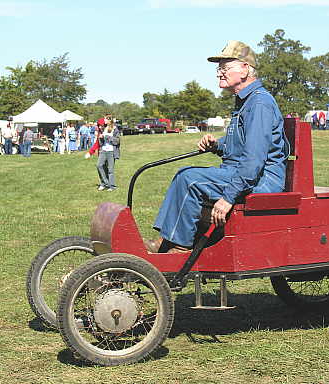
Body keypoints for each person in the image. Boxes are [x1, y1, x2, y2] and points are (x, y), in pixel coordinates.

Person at [145, 40, 288, 254]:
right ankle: (169, 241)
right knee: (185, 174)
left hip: (262, 180)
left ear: (245, 68)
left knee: (190, 180)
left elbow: (254, 160)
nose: (219, 73)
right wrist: (217, 145)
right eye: (218, 68)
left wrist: (228, 197)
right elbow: (243, 145)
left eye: (225, 67)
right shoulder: (246, 101)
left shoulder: (259, 103)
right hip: (247, 173)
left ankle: (179, 247)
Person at [85, 121, 120, 191]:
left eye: (101, 126)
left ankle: (112, 186)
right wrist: (90, 152)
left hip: (111, 152)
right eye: (99, 126)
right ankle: (104, 183)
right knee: (99, 165)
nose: (100, 127)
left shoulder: (114, 129)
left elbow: (117, 141)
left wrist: (106, 137)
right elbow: (98, 143)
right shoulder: (100, 132)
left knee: (110, 170)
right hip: (103, 151)